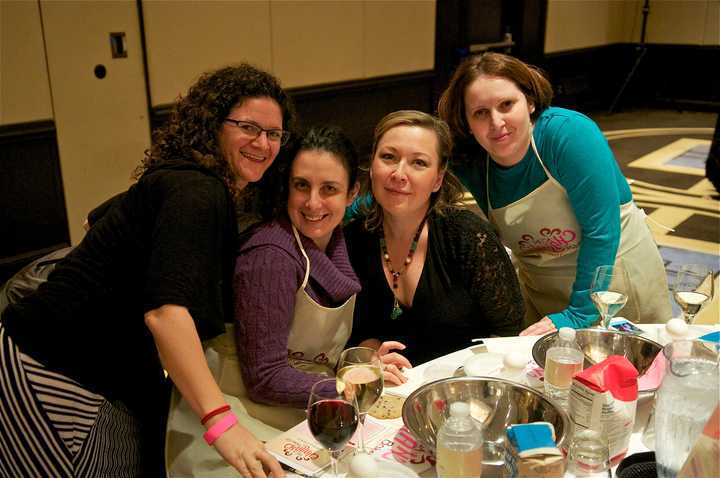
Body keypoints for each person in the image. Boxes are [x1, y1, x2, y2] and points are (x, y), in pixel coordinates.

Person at [0, 63, 293, 478]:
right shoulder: (199, 191)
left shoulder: (187, 178)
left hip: (82, 370)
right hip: (50, 370)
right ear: (214, 125)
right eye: (248, 127)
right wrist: (222, 423)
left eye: (274, 134)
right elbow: (165, 314)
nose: (262, 144)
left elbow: (94, 219)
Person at [437, 52, 672, 335]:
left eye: (506, 104)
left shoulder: (567, 134)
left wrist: (580, 312)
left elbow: (601, 231)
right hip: (542, 295)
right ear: (467, 122)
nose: (496, 122)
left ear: (530, 102)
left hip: (613, 289)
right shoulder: (473, 161)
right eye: (480, 113)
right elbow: (410, 180)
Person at [345, 110, 523, 366]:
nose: (399, 173)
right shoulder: (354, 240)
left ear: (438, 179)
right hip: (394, 391)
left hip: (469, 387)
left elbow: (510, 332)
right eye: (388, 157)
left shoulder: (468, 236)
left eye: (419, 162)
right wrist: (371, 358)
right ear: (372, 166)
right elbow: (360, 330)